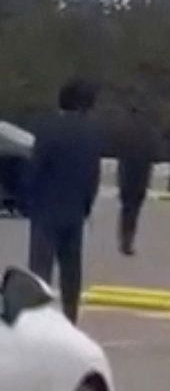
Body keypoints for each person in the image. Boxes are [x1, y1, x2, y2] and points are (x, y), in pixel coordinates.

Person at [28, 78, 102, 324]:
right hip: (74, 210)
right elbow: (93, 175)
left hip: (46, 208)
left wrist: (29, 201)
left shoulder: (48, 129)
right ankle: (71, 317)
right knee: (71, 269)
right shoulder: (91, 133)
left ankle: (37, 319)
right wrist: (86, 205)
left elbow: (35, 169)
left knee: (40, 267)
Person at [116, 103, 160, 256]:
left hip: (126, 173)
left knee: (126, 207)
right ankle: (129, 239)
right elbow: (157, 153)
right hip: (142, 173)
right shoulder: (149, 131)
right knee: (135, 209)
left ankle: (124, 238)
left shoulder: (124, 131)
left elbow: (114, 148)